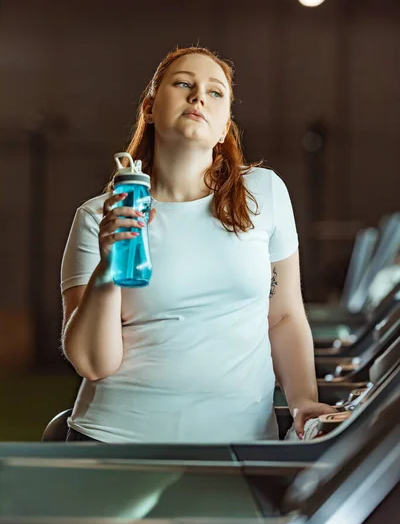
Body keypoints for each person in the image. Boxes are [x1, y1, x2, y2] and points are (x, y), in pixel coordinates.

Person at [61, 46, 334, 443]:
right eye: (184, 83)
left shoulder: (264, 193)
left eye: (215, 91)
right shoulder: (99, 217)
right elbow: (94, 363)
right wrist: (108, 268)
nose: (198, 96)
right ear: (150, 108)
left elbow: (284, 316)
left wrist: (303, 400)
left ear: (224, 127)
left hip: (239, 444)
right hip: (114, 441)